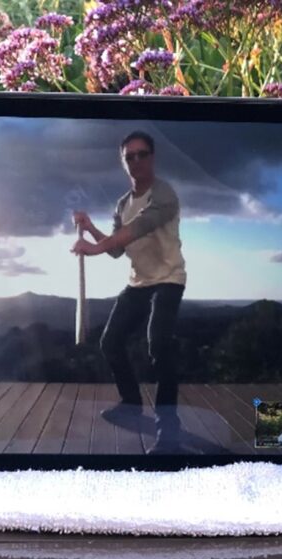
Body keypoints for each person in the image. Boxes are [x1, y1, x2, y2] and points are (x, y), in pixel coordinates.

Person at [71, 130, 186, 454]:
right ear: (124, 163)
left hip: (168, 279)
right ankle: (131, 403)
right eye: (129, 156)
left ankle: (169, 431)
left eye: (142, 154)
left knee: (159, 344)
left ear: (152, 157)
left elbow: (133, 232)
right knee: (110, 341)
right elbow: (117, 249)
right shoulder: (123, 203)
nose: (136, 161)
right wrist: (91, 228)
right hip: (139, 281)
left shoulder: (164, 195)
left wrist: (92, 248)